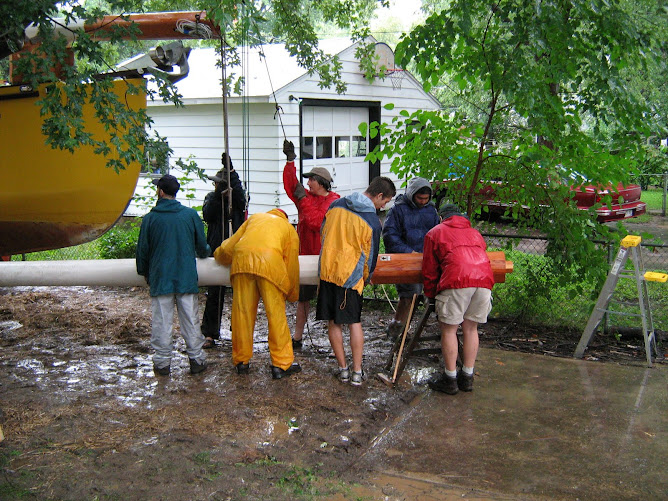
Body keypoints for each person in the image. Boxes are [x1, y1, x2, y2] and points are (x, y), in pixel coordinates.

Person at [316, 176, 397, 386]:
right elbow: (371, 258)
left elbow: (323, 233)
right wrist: (367, 278)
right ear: (379, 196)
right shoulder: (372, 222)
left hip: (327, 271)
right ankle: (357, 373)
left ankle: (343, 369)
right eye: (385, 202)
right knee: (354, 322)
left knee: (333, 322)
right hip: (350, 277)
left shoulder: (335, 205)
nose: (383, 206)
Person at [136, 174, 211, 376]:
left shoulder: (150, 219)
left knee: (162, 322)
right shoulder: (190, 215)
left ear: (160, 192)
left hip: (160, 278)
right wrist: (207, 251)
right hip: (186, 276)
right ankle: (196, 360)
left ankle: (162, 364)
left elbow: (142, 251)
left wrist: (143, 272)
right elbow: (202, 248)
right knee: (191, 320)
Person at [213, 208, 301, 379]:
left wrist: (217, 254)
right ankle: (281, 365)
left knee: (242, 314)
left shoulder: (254, 219)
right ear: (285, 217)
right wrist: (292, 293)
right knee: (276, 315)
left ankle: (241, 361)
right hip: (271, 266)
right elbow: (291, 267)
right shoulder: (289, 230)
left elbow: (230, 246)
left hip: (242, 263)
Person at [422, 204, 494, 394]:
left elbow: (429, 269)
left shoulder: (435, 233)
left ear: (442, 217)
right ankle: (467, 376)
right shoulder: (474, 233)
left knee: (449, 330)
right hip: (484, 282)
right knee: (471, 329)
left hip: (457, 282)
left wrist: (430, 294)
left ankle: (450, 378)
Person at [282, 139, 340, 348]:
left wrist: (303, 201)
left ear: (321, 182)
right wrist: (290, 162)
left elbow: (317, 222)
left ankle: (335, 342)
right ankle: (297, 337)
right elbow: (291, 185)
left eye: (311, 181)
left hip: (325, 260)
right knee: (303, 300)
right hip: (305, 257)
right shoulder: (307, 196)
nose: (307, 184)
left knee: (330, 302)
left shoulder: (334, 201)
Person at [382, 177, 440, 339]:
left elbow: (437, 233)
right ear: (412, 194)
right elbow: (390, 236)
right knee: (408, 296)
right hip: (405, 261)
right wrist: (409, 252)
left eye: (426, 199)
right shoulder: (397, 210)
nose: (423, 202)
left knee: (431, 295)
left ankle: (414, 330)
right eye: (420, 198)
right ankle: (397, 330)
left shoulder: (431, 210)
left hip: (427, 261)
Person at [201, 153, 247, 349]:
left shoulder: (237, 202)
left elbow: (240, 197)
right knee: (214, 294)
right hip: (217, 250)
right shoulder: (212, 199)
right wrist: (219, 198)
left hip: (237, 252)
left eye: (220, 183)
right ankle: (210, 333)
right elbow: (207, 214)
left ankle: (239, 331)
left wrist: (232, 174)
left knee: (240, 294)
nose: (216, 186)